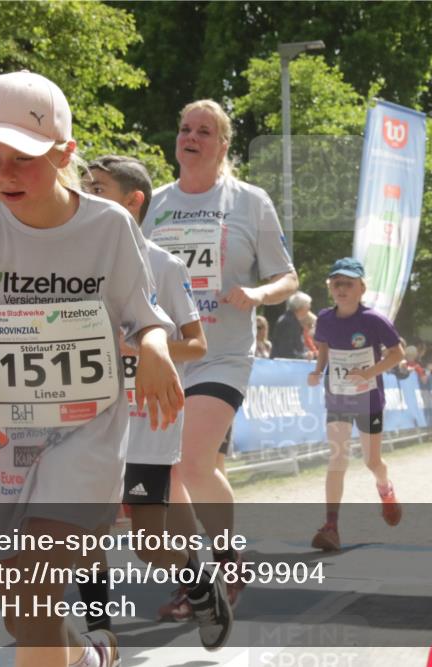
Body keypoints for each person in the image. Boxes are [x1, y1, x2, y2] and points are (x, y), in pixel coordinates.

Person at [0, 71, 184, 667]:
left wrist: (153, 348)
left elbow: (144, 315)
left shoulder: (108, 224)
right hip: (3, 441)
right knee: (23, 616)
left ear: (66, 153)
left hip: (87, 435)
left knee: (36, 594)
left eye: (24, 158)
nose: (4, 173)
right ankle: (94, 656)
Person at [143, 99, 298, 616]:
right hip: (169, 352)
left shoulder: (250, 202)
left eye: (204, 131)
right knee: (195, 468)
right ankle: (216, 567)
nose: (191, 137)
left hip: (224, 352)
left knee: (187, 463)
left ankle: (206, 576)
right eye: (185, 128)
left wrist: (256, 294)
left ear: (223, 145)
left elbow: (288, 278)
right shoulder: (156, 204)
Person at [82, 153, 231, 650]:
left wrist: (142, 348)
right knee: (86, 532)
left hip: (146, 422)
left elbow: (197, 345)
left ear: (133, 201)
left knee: (149, 543)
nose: (85, 195)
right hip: (88, 419)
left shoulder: (164, 265)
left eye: (97, 188)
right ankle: (98, 631)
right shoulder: (76, 261)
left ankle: (202, 586)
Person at [307, 257, 405, 552]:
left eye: (348, 283)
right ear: (330, 288)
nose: (342, 288)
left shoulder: (374, 320)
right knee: (337, 459)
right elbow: (323, 346)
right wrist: (317, 369)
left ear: (361, 287)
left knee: (372, 461)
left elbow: (397, 354)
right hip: (337, 397)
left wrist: (369, 373)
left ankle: (386, 490)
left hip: (368, 399)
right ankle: (331, 526)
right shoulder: (324, 318)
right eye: (336, 283)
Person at [271, 291, 313, 359]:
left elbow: (299, 346)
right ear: (300, 307)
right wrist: (304, 356)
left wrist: (307, 353)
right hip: (281, 365)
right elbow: (286, 351)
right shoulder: (288, 322)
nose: (309, 309)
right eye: (308, 306)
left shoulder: (293, 321)